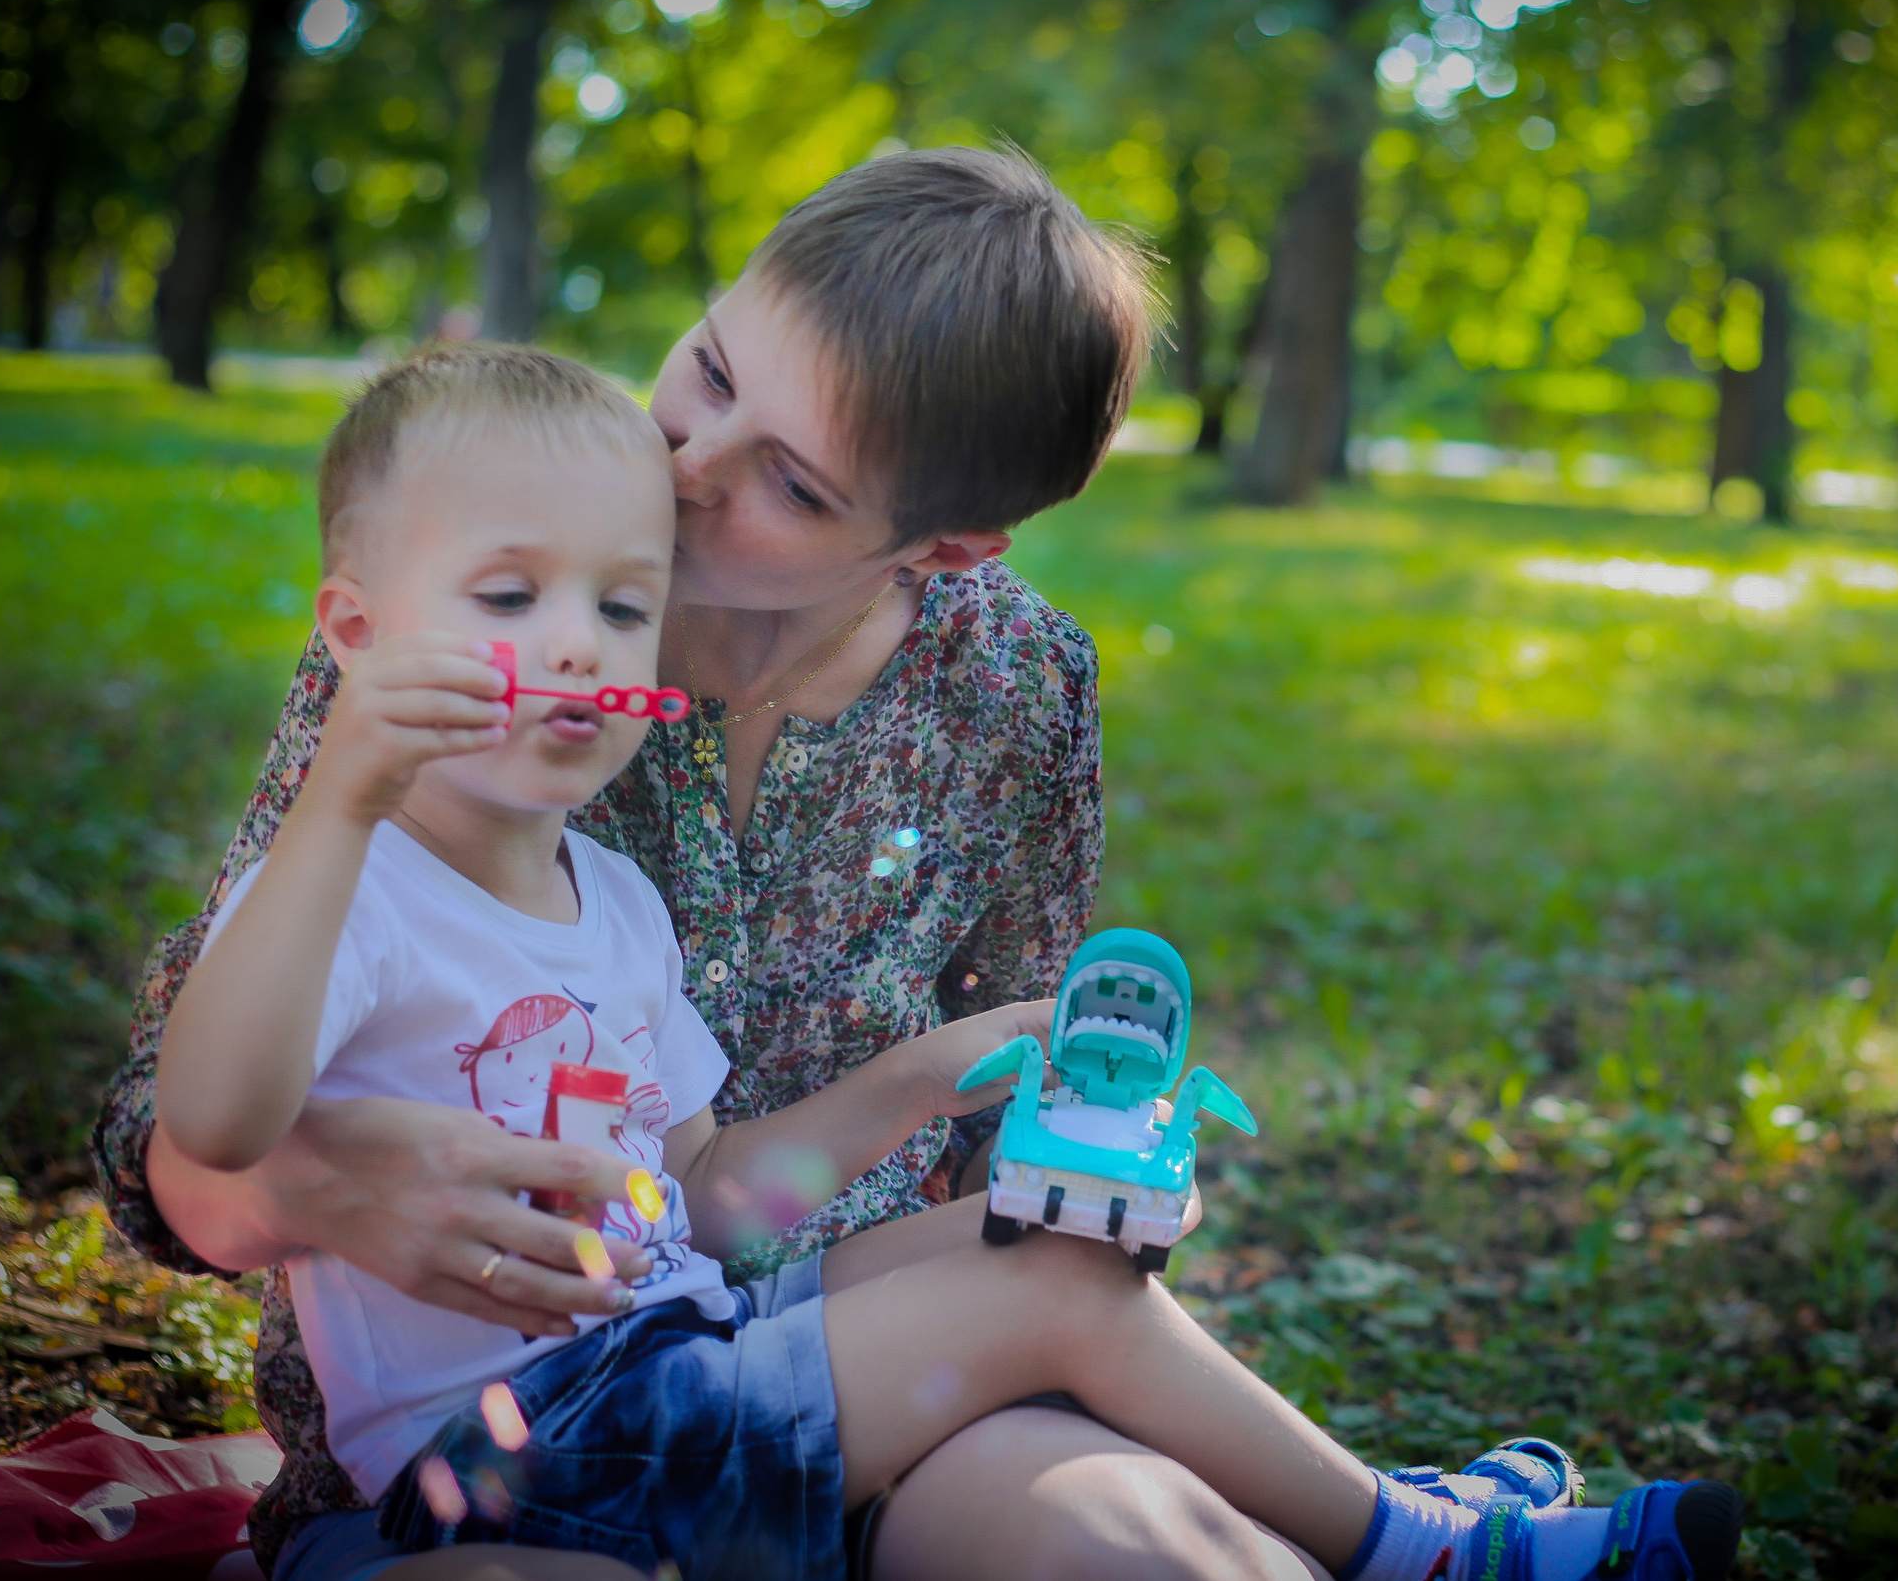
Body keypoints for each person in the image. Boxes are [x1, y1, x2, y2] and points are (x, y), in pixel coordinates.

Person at [154, 341, 1742, 1581]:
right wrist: (343, 791)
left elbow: (709, 1200)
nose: (578, 643)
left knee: (1033, 1236)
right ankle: (1417, 1543)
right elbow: (214, 1121)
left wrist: (934, 1070)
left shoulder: (612, 904)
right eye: (512, 599)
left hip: (674, 1371)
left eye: (624, 607)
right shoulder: (347, 885)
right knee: (1043, 1294)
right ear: (351, 634)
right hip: (497, 1456)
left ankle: (1372, 1526)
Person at [94, 146, 1366, 1579]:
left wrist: (1072, 1159)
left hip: (840, 1367)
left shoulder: (1010, 689)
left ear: (943, 546)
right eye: (706, 373)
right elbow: (179, 1141)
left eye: (796, 485)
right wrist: (307, 1189)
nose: (687, 469)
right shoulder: (467, 619)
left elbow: (847, 1183)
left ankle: (1471, 1548)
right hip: (499, 1459)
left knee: (1135, 1557)